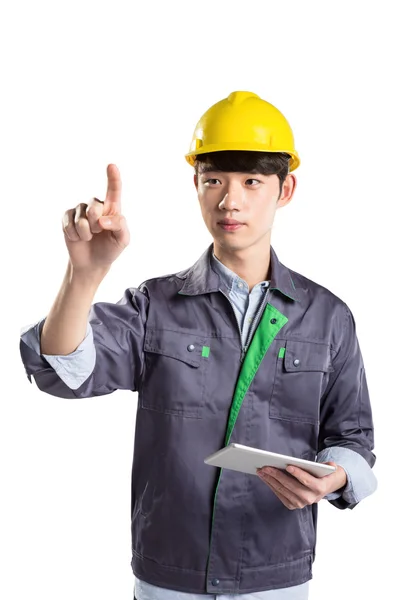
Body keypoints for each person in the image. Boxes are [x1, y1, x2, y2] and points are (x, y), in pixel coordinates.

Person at [20, 91, 377, 600]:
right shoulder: (155, 306)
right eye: (214, 181)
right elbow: (64, 368)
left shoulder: (328, 317)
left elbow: (354, 437)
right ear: (196, 185)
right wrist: (86, 274)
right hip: (171, 576)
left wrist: (337, 475)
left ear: (286, 189)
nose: (230, 201)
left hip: (274, 577)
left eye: (252, 181)